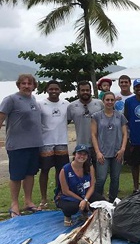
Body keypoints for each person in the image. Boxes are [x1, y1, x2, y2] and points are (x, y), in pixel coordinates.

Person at [0, 74, 43, 217]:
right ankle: (14, 204)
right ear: (18, 85)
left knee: (30, 174)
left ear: (33, 86)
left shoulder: (33, 99)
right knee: (16, 176)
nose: (26, 86)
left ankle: (28, 202)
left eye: (29, 83)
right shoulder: (10, 99)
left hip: (34, 144)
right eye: (23, 83)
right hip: (17, 145)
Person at [38, 80, 70, 210]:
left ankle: (59, 195)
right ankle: (43, 198)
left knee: (60, 170)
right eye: (51, 89)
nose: (54, 91)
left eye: (56, 89)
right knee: (45, 170)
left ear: (60, 90)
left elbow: (68, 120)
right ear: (47, 90)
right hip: (46, 142)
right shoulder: (40, 104)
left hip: (61, 141)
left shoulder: (66, 104)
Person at [91, 91, 128, 202]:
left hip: (117, 152)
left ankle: (112, 200)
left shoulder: (120, 116)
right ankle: (97, 200)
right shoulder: (96, 116)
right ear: (103, 101)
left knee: (115, 178)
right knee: (101, 178)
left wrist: (122, 149)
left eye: (112, 100)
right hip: (103, 152)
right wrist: (97, 152)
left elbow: (125, 133)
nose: (110, 102)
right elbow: (93, 134)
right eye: (107, 100)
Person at [56, 144, 105, 227]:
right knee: (72, 207)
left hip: (85, 194)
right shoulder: (65, 169)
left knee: (102, 202)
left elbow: (92, 185)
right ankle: (67, 216)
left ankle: (86, 212)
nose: (82, 156)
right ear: (74, 154)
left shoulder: (89, 167)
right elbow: (65, 191)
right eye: (79, 153)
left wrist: (85, 199)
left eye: (84, 154)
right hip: (69, 196)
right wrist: (83, 200)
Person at [67, 81, 104, 162]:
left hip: (99, 145)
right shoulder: (71, 106)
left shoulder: (99, 103)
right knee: (83, 172)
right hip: (81, 145)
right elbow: (64, 123)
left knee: (100, 172)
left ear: (91, 91)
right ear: (78, 92)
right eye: (82, 90)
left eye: (87, 90)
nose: (85, 92)